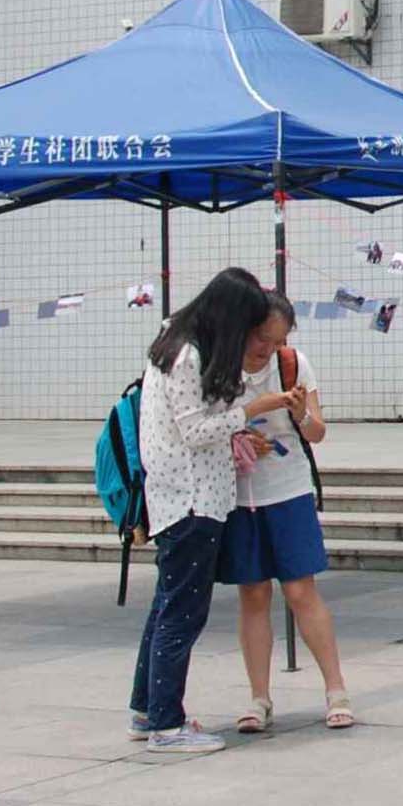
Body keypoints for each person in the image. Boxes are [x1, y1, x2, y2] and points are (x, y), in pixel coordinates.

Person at [128, 269, 303, 754]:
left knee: (166, 606)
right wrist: (250, 410)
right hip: (191, 498)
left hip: (181, 495)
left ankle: (147, 711)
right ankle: (166, 726)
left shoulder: (174, 341)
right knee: (182, 613)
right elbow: (195, 431)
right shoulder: (188, 354)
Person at [219, 289, 352, 733]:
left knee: (300, 591)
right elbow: (205, 427)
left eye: (277, 340)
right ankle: (259, 698)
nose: (268, 349)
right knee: (253, 594)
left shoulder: (293, 364)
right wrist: (238, 438)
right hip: (239, 496)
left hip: (288, 489)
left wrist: (300, 415)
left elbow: (317, 432)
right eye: (262, 338)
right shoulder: (220, 367)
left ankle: (336, 691)